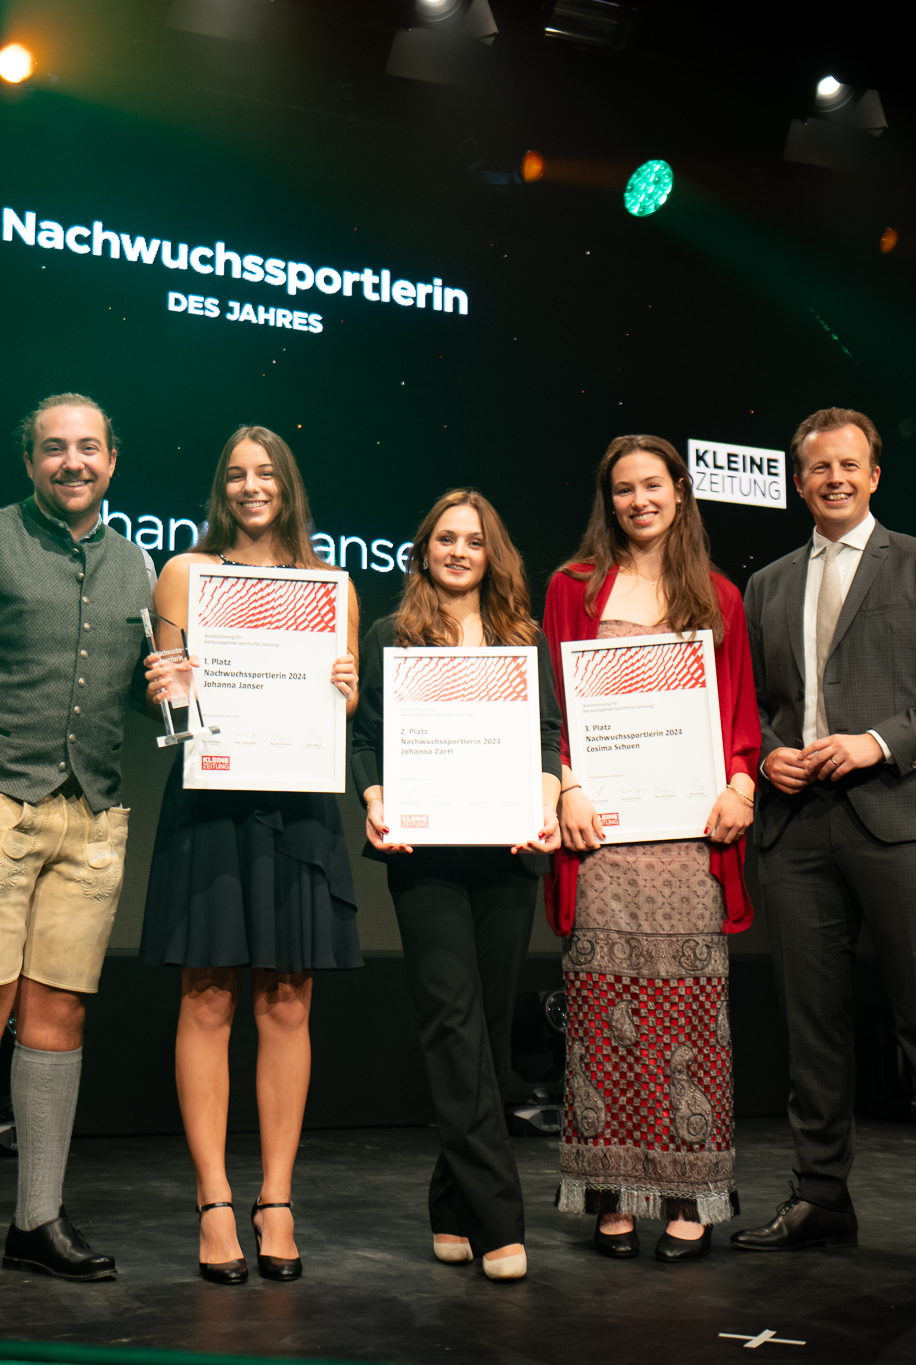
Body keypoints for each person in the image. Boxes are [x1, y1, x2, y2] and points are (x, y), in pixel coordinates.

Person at [732, 408, 916, 1284]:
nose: (834, 479)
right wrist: (772, 753)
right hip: (799, 829)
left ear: (875, 474)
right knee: (812, 1028)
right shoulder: (768, 582)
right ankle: (820, 1197)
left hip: (907, 821)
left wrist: (875, 742)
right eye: (818, 468)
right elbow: (772, 704)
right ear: (798, 480)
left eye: (849, 465)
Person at [0, 393, 155, 1293]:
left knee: (58, 1017)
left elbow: (128, 692)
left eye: (88, 447)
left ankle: (36, 1219)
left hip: (91, 815)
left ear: (112, 460)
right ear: (31, 462)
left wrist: (173, 680)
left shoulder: (139, 565)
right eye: (54, 448)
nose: (71, 461)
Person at [137, 426, 361, 1285]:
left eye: (265, 472)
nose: (250, 485)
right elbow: (168, 712)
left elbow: (339, 706)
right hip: (212, 803)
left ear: (288, 486)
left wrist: (345, 694)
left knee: (287, 1002)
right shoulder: (186, 575)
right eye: (235, 472)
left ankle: (275, 1198)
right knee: (205, 997)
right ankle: (213, 1202)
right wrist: (169, 687)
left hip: (297, 805)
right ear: (219, 489)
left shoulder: (330, 584)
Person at [542, 435, 759, 1264]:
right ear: (610, 499)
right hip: (605, 836)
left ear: (680, 492)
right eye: (623, 488)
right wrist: (565, 786)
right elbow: (556, 705)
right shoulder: (572, 587)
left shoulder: (720, 595)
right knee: (603, 1014)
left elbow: (740, 713)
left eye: (653, 486)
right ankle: (612, 1193)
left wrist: (740, 784)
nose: (639, 500)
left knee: (688, 1020)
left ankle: (688, 1195)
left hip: (689, 840)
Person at [353, 489, 563, 1283]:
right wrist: (375, 801)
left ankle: (450, 1204)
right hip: (428, 855)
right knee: (451, 1020)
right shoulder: (389, 636)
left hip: (508, 852)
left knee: (488, 1036)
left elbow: (546, 735)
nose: (458, 550)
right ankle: (500, 1218)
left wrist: (545, 806)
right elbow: (367, 737)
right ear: (424, 548)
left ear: (491, 553)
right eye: (445, 537)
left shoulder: (522, 641)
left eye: (473, 539)